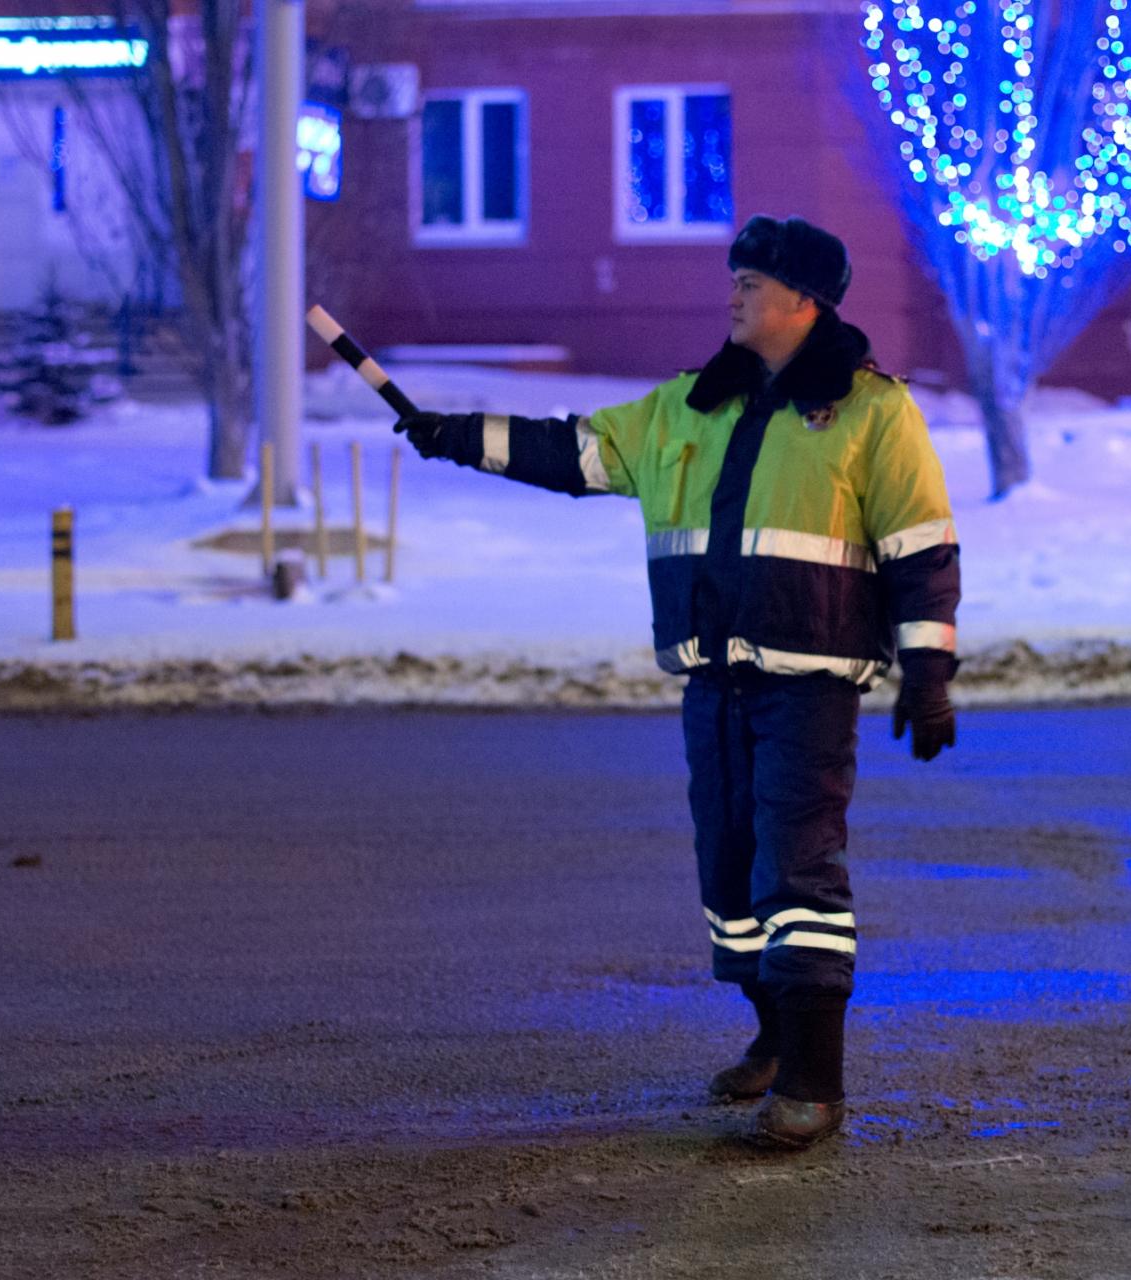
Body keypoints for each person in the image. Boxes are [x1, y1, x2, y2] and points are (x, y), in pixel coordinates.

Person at [396, 214, 960, 1150]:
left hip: (808, 688)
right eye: (733, 277)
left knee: (801, 872)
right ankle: (775, 1039)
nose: (732, 293)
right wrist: (456, 434)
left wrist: (928, 672)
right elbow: (570, 451)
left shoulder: (873, 411)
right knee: (730, 880)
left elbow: (920, 547)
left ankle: (815, 1087)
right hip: (714, 686)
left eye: (751, 281)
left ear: (806, 302)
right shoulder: (686, 408)